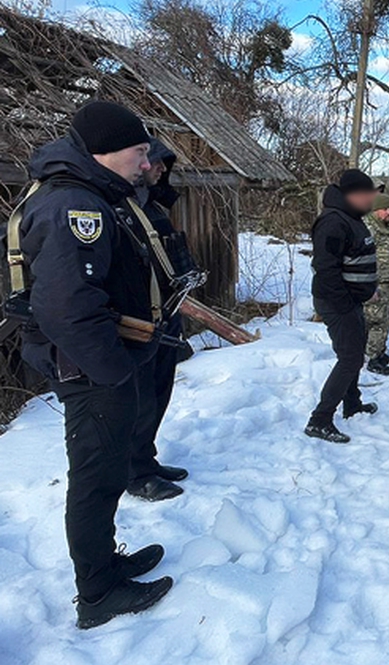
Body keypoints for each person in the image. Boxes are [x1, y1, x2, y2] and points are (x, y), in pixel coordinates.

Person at [15, 100, 173, 628]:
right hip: (89, 369)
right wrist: (113, 370)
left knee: (104, 475)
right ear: (105, 152)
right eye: (139, 151)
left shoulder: (90, 194)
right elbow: (66, 306)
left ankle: (105, 565)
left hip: (98, 363)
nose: (147, 163)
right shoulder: (72, 207)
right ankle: (98, 593)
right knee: (95, 478)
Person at [126, 137, 195, 501]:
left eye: (166, 165)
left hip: (166, 315)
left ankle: (146, 459)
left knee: (159, 393)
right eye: (158, 163)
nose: (162, 170)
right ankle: (135, 473)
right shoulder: (123, 204)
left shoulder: (151, 204)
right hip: (139, 320)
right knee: (141, 400)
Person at [304, 169, 381, 443]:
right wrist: (346, 301)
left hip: (351, 301)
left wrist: (366, 290)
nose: (373, 199)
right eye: (369, 194)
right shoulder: (333, 222)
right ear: (354, 195)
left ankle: (352, 404)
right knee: (349, 359)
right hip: (336, 302)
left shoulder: (352, 218)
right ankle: (320, 420)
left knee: (355, 353)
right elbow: (326, 269)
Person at [364, 192, 389, 376]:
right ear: (375, 210)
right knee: (377, 320)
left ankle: (380, 352)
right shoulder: (368, 228)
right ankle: (372, 357)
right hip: (377, 282)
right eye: (385, 209)